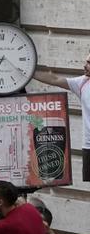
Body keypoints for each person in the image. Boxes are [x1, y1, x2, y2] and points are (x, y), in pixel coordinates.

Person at [33, 51, 90, 181]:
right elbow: (55, 79)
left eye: (89, 63)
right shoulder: (82, 83)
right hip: (88, 146)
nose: (85, 65)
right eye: (86, 61)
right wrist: (28, 71)